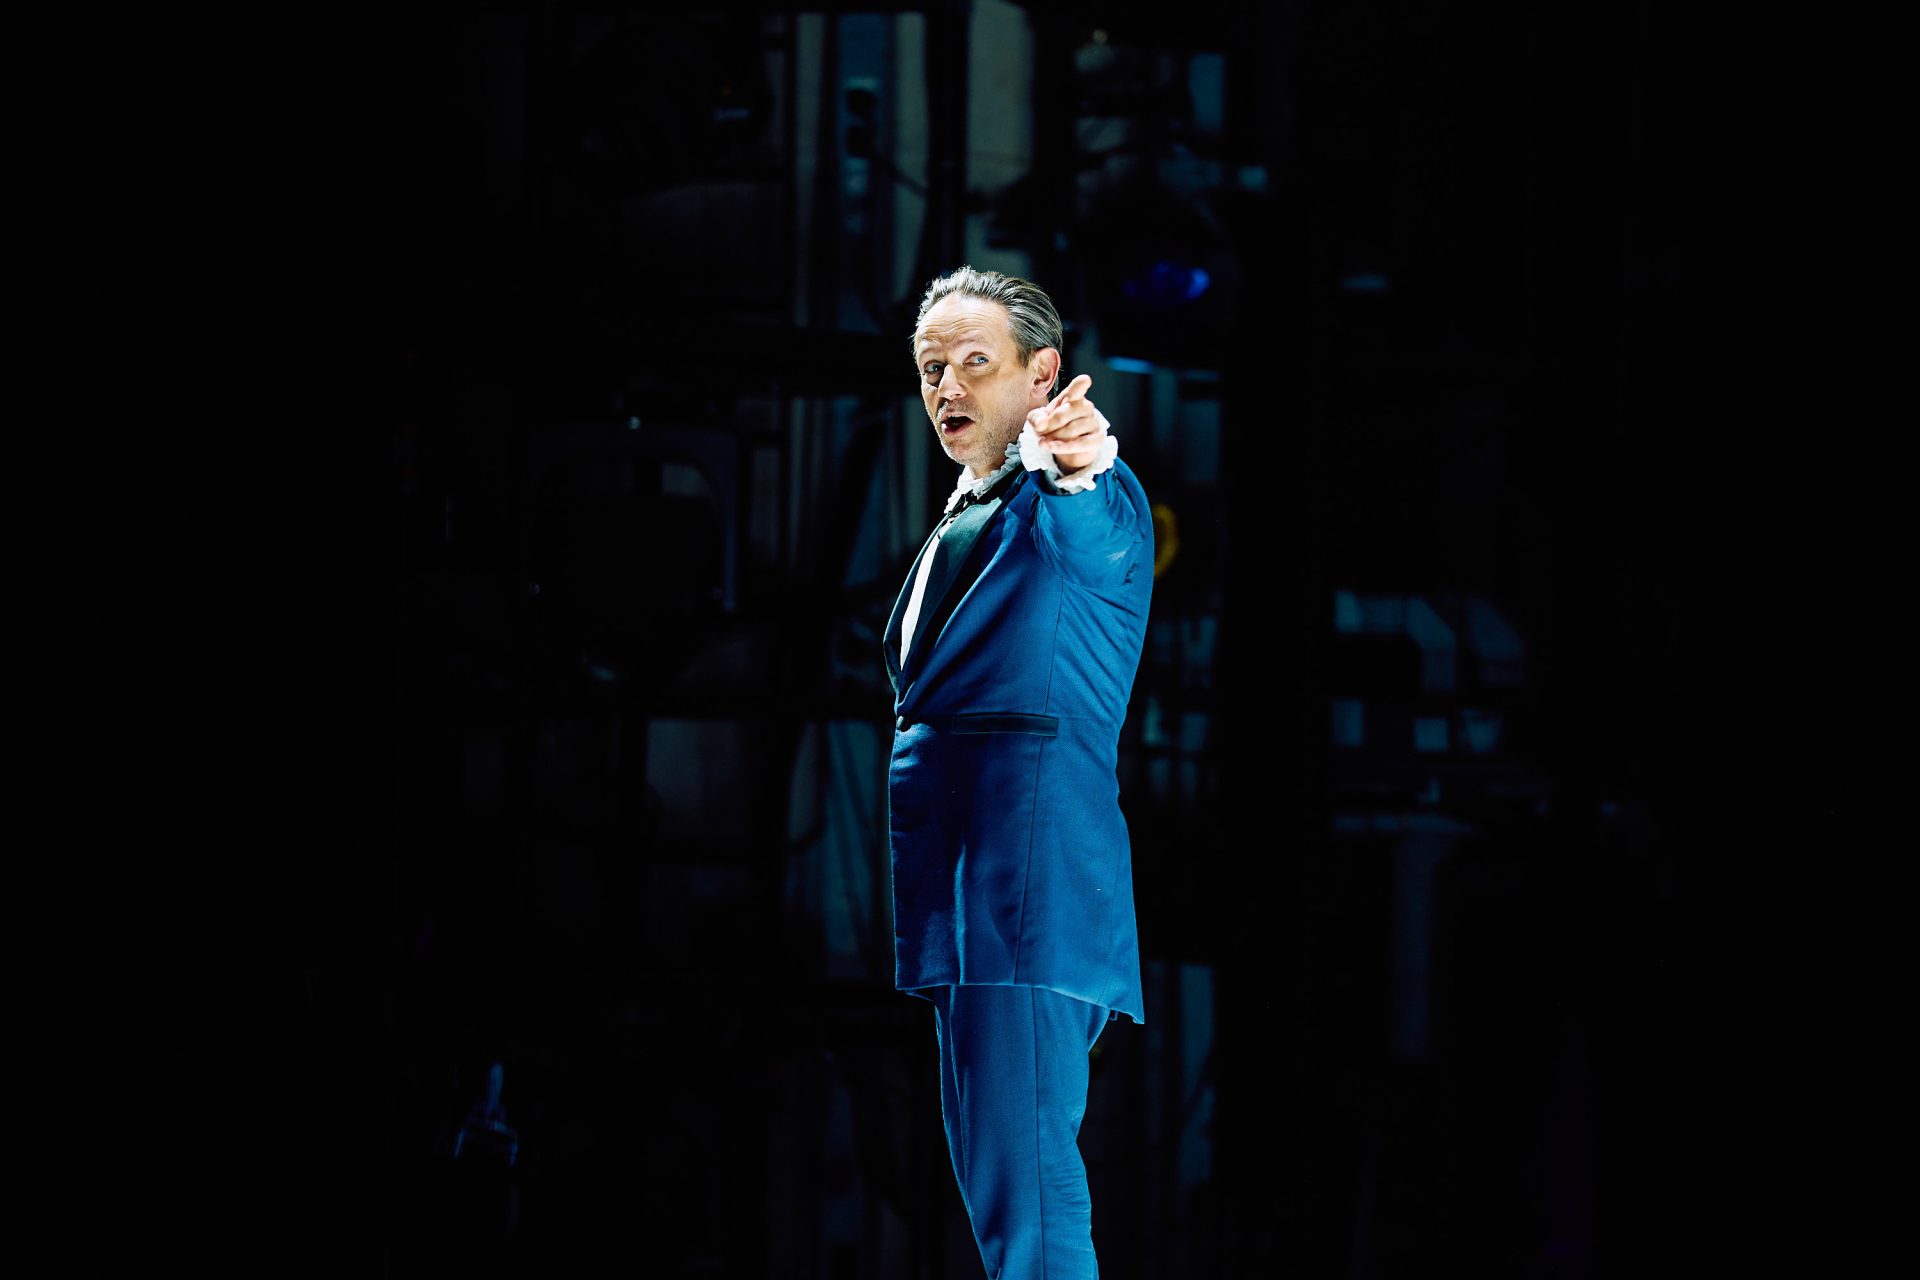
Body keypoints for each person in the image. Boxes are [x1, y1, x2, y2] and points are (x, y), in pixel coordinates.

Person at [884, 267, 1153, 1278]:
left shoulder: (1076, 497)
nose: (947, 386)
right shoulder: (976, 510)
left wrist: (1082, 462)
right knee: (1006, 1195)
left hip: (1023, 898)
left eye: (975, 362)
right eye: (931, 368)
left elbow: (1095, 523)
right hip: (971, 905)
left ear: (1043, 375)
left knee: (1031, 1202)